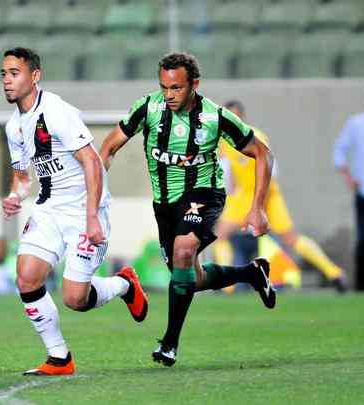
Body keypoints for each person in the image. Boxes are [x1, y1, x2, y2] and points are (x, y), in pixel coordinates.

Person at [100, 52, 276, 367]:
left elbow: (263, 154)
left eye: (177, 88)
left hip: (204, 193)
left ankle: (169, 344)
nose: (169, 95)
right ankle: (251, 272)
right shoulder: (148, 107)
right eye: (164, 87)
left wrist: (258, 208)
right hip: (164, 205)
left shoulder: (215, 117)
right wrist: (97, 188)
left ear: (194, 84)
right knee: (188, 277)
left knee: (183, 251)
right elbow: (110, 146)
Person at [1, 47, 148, 376]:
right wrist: (15, 195)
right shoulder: (14, 127)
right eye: (4, 74)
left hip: (84, 209)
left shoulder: (55, 111)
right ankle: (59, 358)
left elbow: (92, 161)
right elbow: (24, 176)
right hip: (48, 210)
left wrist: (92, 217)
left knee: (75, 299)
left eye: (14, 73)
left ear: (34, 76)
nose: (7, 81)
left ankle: (124, 284)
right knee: (26, 278)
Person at [215, 100, 346, 292]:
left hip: (268, 194)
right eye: (228, 117)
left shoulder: (256, 137)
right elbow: (229, 170)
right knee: (220, 236)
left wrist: (258, 205)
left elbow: (270, 167)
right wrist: (230, 191)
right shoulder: (225, 142)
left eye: (235, 117)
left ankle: (334, 273)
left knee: (290, 238)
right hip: (243, 195)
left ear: (242, 117)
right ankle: (229, 288)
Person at [333, 86, 364, 292]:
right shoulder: (356, 124)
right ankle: (362, 285)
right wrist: (348, 177)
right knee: (363, 238)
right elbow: (339, 150)